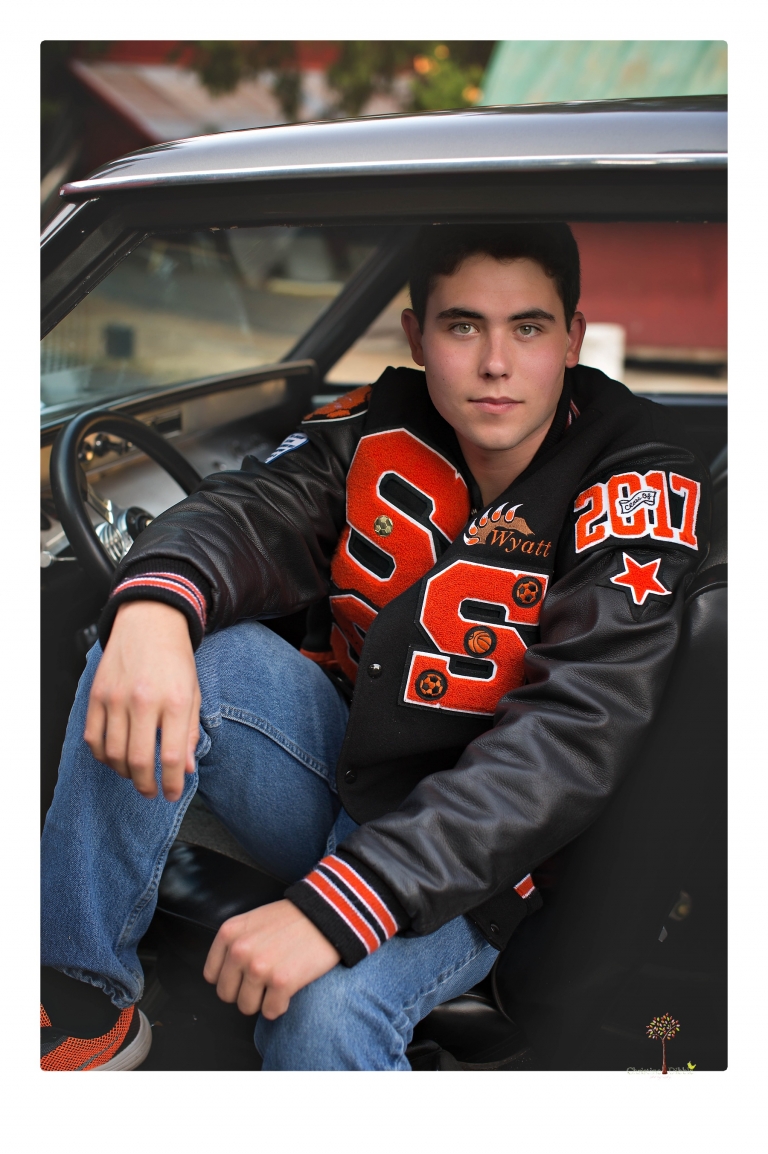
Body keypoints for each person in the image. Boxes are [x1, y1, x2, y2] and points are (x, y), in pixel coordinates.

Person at [41, 223, 710, 1071]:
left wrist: (340, 906)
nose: (495, 363)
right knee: (157, 648)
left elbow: (577, 731)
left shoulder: (637, 473)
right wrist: (151, 609)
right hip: (352, 771)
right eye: (463, 326)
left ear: (572, 338)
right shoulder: (376, 424)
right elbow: (251, 508)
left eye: (529, 328)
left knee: (320, 1012)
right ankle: (81, 998)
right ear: (417, 336)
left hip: (495, 859)